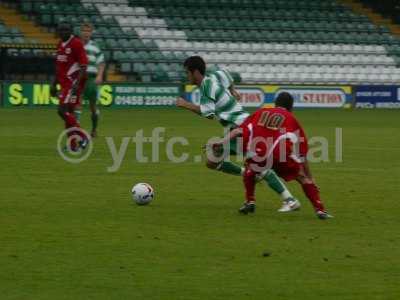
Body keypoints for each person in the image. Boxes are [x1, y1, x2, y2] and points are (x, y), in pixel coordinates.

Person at [176, 56, 300, 213]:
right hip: (236, 126)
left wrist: (184, 104)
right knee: (212, 160)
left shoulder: (206, 86)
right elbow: (226, 74)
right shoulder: (213, 76)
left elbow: (207, 113)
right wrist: (232, 89)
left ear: (195, 72)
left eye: (187, 72)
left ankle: (290, 200)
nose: (186, 76)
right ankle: (250, 179)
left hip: (240, 127)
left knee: (258, 165)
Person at [210, 92, 332, 219]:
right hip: (279, 153)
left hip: (259, 152)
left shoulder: (260, 112)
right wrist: (310, 177)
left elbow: (238, 130)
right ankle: (320, 210)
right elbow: (302, 153)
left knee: (250, 169)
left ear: (275, 104)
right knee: (302, 178)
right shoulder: (291, 118)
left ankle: (250, 202)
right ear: (291, 108)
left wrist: (221, 141)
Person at [51, 22, 88, 151]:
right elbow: (59, 67)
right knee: (69, 114)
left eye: (66, 30)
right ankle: (73, 146)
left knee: (62, 111)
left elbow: (83, 66)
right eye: (61, 30)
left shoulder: (76, 43)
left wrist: (76, 85)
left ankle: (83, 136)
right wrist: (53, 84)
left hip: (72, 83)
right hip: (64, 84)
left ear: (71, 31)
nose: (63, 32)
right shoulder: (59, 45)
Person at [80, 22, 105, 138]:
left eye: (88, 31)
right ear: (81, 32)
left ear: (91, 33)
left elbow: (101, 63)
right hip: (79, 78)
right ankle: (76, 131)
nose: (86, 33)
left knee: (93, 107)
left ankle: (94, 129)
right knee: (76, 104)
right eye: (84, 31)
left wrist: (100, 76)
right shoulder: (76, 45)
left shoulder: (95, 46)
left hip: (91, 78)